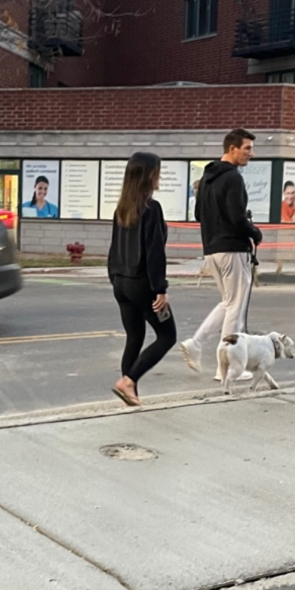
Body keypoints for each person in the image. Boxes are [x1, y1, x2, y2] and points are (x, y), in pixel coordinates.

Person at [180, 128, 264, 381]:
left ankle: (196, 343)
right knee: (236, 308)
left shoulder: (207, 177)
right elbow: (237, 218)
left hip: (212, 250)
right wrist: (255, 233)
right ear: (232, 149)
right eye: (247, 148)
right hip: (233, 249)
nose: (251, 153)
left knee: (228, 302)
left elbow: (198, 215)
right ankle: (227, 367)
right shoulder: (233, 178)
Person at [107, 151, 176, 407]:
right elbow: (154, 252)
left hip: (121, 283)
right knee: (167, 336)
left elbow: (114, 248)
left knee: (134, 337)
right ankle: (129, 381)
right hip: (142, 284)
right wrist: (161, 289)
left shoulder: (122, 209)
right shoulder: (151, 208)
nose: (160, 176)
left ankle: (130, 392)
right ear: (149, 175)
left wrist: (113, 277)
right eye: (158, 170)